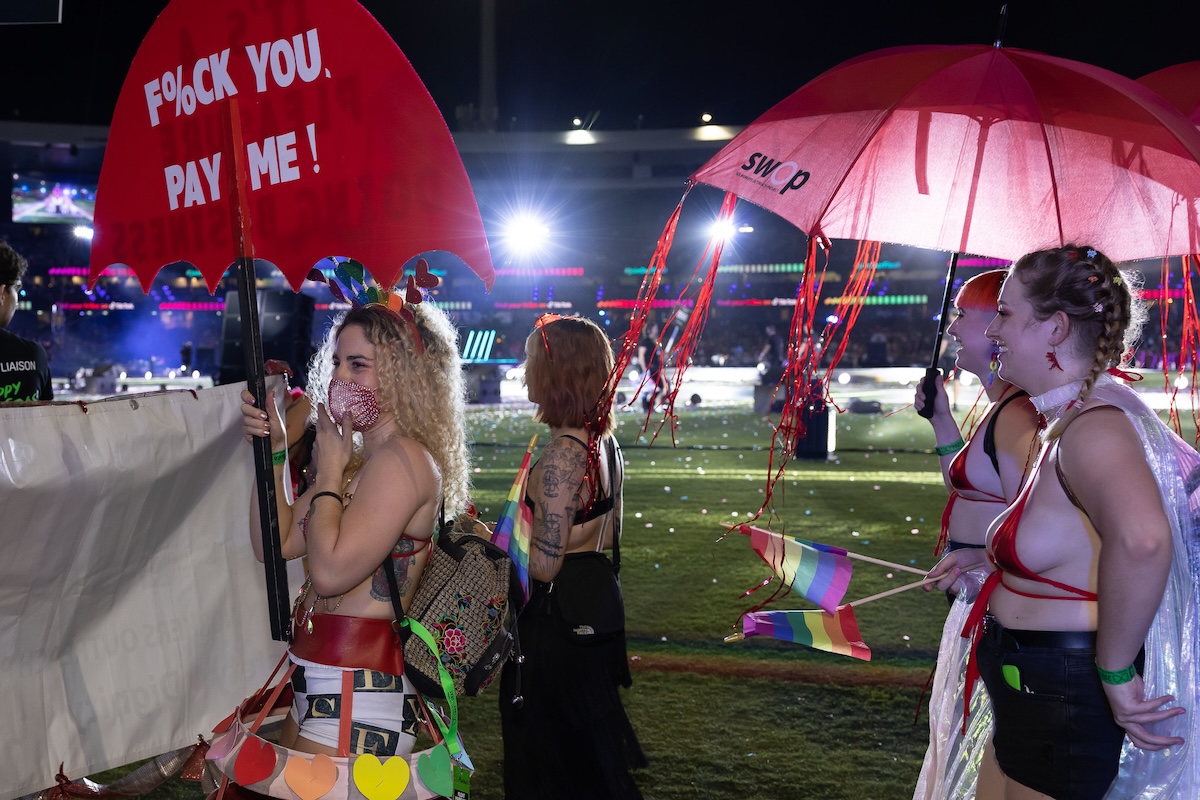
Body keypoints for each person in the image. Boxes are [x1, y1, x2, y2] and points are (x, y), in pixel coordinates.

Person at [928, 245, 1198, 799]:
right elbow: (1079, 540)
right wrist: (990, 558)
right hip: (1034, 686)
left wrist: (1116, 672)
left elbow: (1144, 541)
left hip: (1062, 695)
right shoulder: (1068, 417)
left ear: (1055, 328)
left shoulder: (1093, 425)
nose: (993, 330)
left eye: (1005, 313)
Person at [240, 302, 470, 759]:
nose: (340, 377)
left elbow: (329, 574)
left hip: (360, 690)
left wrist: (328, 470)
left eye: (358, 364)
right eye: (337, 362)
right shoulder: (361, 462)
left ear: (405, 375)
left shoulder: (403, 460)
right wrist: (276, 451)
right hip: (319, 674)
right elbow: (274, 543)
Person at [500, 314, 647, 799]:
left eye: (531, 360)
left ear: (557, 373)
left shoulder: (563, 455)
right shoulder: (605, 445)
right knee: (586, 768)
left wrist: (497, 543)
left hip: (555, 631)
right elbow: (608, 531)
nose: (524, 370)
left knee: (546, 770)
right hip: (594, 617)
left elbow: (545, 564)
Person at [912, 271, 1040, 799]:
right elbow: (965, 483)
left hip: (993, 589)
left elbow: (1031, 512)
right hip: (976, 585)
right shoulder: (1001, 404)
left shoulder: (1018, 410)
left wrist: (983, 564)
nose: (953, 328)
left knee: (997, 730)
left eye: (964, 315)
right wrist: (941, 420)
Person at [0, 240, 53, 402]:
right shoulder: (31, 355)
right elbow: (48, 416)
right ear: (2, 293)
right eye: (16, 289)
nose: (16, 303)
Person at [636, 321, 667, 411]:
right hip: (649, 369)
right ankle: (648, 404)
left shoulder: (655, 342)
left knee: (660, 387)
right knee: (655, 387)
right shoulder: (645, 341)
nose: (657, 330)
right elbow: (641, 356)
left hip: (655, 368)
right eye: (655, 328)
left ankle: (650, 404)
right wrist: (645, 370)